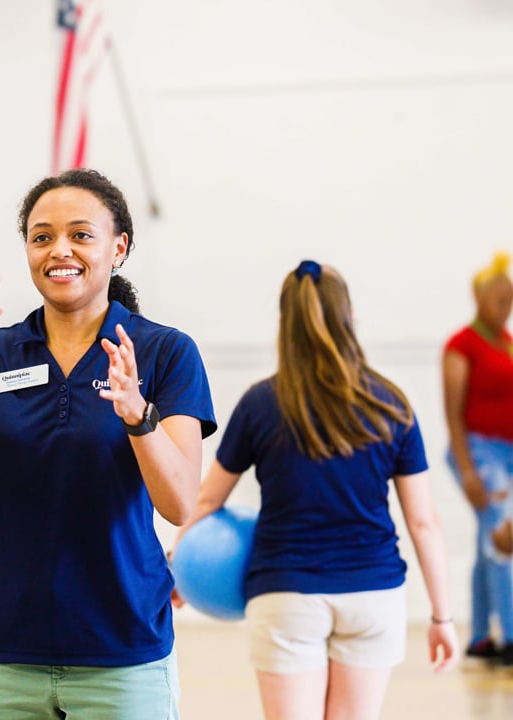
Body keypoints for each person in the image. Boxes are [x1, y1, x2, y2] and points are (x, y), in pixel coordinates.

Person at [0, 168, 216, 719]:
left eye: (81, 234)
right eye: (42, 237)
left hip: (123, 650)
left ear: (118, 247)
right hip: (7, 649)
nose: (60, 249)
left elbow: (179, 504)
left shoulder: (165, 353)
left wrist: (138, 416)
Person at [177, 261, 459, 720]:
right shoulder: (390, 403)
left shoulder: (260, 404)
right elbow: (424, 521)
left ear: (285, 324)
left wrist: (181, 566)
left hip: (287, 595)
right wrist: (442, 617)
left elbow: (208, 500)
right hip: (373, 594)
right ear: (349, 316)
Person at [442, 251, 513, 663]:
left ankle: (483, 636)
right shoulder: (462, 345)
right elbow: (454, 412)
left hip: (506, 453)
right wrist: (468, 470)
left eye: (510, 301)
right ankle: (508, 635)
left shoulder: (505, 344)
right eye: (499, 300)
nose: (505, 309)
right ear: (480, 298)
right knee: (502, 538)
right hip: (479, 452)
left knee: (488, 538)